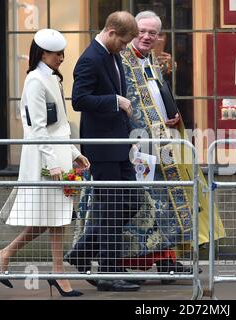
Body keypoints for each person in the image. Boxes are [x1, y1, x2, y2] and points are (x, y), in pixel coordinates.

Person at [120, 10, 225, 273]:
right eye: (141, 31)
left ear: (159, 36)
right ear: (132, 31)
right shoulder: (120, 61)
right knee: (147, 205)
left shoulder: (153, 60)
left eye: (152, 33)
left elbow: (157, 96)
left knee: (169, 201)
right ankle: (130, 263)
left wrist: (172, 115)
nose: (146, 37)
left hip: (165, 144)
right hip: (138, 147)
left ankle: (167, 260)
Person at [0, 28, 90, 297]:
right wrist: (55, 160)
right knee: (56, 218)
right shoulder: (35, 80)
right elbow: (38, 128)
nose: (62, 58)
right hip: (47, 158)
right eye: (58, 54)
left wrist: (72, 153)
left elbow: (59, 126)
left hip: (57, 156)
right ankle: (56, 273)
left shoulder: (51, 79)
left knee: (56, 217)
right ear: (43, 53)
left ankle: (5, 255)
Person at [69, 11, 141, 292]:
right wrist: (114, 101)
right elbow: (79, 100)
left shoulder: (112, 56)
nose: (125, 47)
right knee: (110, 209)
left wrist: (128, 136)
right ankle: (110, 273)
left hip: (119, 145)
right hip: (101, 149)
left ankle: (82, 253)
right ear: (111, 32)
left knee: (130, 202)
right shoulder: (90, 58)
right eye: (123, 42)